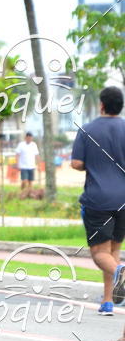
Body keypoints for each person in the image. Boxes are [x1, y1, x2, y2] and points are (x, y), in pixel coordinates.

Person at [71, 86, 125, 317]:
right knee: (113, 251)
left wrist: (93, 163)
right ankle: (108, 301)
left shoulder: (88, 129)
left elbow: (76, 163)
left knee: (99, 254)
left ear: (101, 105)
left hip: (98, 199)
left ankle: (122, 274)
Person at [15, 131, 39, 197]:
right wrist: (17, 164)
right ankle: (22, 191)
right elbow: (17, 154)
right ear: (25, 138)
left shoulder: (34, 145)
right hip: (23, 166)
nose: (29, 139)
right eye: (28, 138)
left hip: (31, 166)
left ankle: (29, 194)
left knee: (30, 182)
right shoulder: (21, 145)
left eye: (30, 138)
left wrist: (39, 165)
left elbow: (37, 155)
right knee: (24, 181)